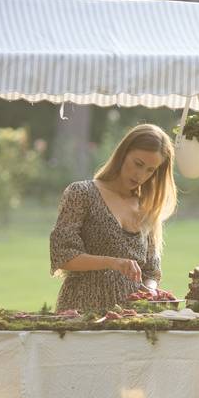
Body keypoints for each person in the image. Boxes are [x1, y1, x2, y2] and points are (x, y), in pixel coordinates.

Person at [49, 124, 177, 312]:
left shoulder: (147, 208)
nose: (140, 175)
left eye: (150, 170)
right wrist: (113, 262)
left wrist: (150, 292)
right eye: (138, 164)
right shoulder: (82, 193)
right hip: (83, 312)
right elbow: (63, 255)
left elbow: (151, 272)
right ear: (123, 154)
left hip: (132, 319)